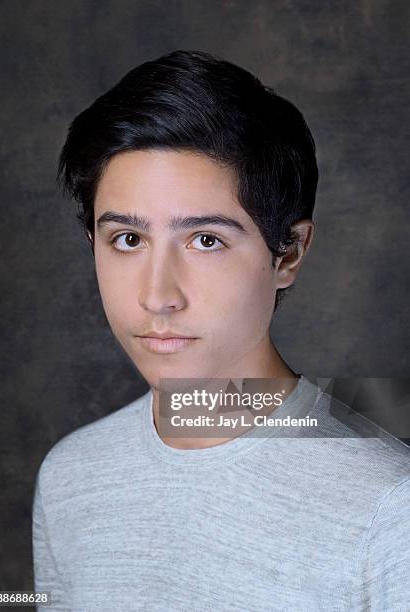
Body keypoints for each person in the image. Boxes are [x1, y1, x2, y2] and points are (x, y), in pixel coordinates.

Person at [32, 50, 410, 611]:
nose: (158, 295)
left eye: (205, 240)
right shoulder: (70, 477)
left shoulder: (389, 505)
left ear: (288, 253)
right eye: (128, 240)